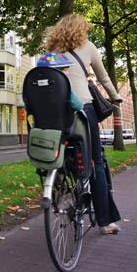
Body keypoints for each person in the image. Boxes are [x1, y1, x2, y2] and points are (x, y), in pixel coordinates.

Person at [45, 14, 122, 235]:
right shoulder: (88, 46)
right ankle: (106, 222)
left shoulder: (50, 50)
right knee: (96, 163)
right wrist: (115, 97)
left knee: (63, 154)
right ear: (81, 30)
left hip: (56, 113)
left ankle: (61, 181)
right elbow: (103, 77)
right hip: (82, 111)